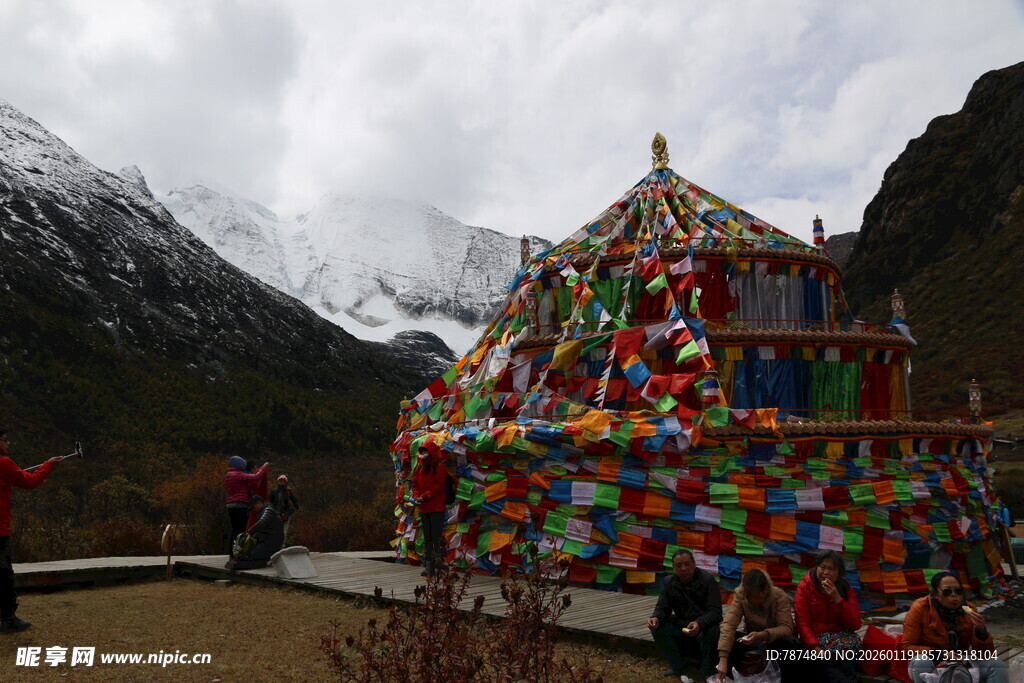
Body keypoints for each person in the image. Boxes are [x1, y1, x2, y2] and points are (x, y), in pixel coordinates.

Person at [0, 427, 62, 633]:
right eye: (5, 440)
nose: (8, 444)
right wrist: (48, 465)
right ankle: (8, 620)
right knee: (4, 575)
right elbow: (30, 482)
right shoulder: (4, 463)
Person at [902, 570, 1008, 683]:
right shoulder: (921, 608)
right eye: (947, 592)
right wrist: (941, 654)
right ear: (935, 594)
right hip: (933, 664)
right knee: (921, 661)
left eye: (958, 591)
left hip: (960, 663)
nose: (954, 595)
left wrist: (981, 632)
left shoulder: (969, 609)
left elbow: (984, 655)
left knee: (997, 664)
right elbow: (907, 647)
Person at [647, 548, 723, 681]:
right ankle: (678, 666)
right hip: (683, 624)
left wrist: (699, 623)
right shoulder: (669, 582)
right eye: (679, 565)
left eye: (687, 564)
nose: (683, 568)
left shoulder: (707, 580)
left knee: (714, 630)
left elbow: (715, 612)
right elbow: (662, 608)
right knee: (659, 627)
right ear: (674, 568)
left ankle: (707, 671)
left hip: (704, 625)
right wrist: (655, 618)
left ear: (694, 564)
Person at [794, 549, 863, 683]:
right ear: (816, 567)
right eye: (822, 567)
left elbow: (855, 625)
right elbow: (802, 622)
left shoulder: (845, 588)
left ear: (839, 573)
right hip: (817, 638)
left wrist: (837, 599)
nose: (826, 572)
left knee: (852, 651)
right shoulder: (805, 587)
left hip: (841, 638)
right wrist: (814, 647)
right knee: (826, 661)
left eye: (831, 569)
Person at [717, 568, 797, 680]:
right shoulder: (741, 594)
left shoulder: (779, 596)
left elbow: (787, 627)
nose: (747, 598)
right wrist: (723, 658)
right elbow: (729, 624)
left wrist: (764, 635)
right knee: (722, 636)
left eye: (751, 595)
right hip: (752, 640)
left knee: (786, 646)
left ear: (764, 592)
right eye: (746, 594)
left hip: (774, 641)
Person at [410, 445, 447, 577]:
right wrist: (415, 496)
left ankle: (438, 566)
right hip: (424, 507)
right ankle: (429, 566)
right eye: (422, 451)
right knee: (427, 538)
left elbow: (439, 485)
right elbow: (414, 483)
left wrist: (426, 495)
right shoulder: (419, 468)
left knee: (436, 538)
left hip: (436, 507)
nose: (423, 454)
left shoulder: (439, 467)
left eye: (425, 451)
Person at [225, 456, 268, 552]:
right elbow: (256, 477)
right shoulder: (239, 474)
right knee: (241, 529)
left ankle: (232, 551)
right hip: (240, 505)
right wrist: (264, 467)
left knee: (234, 529)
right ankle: (238, 550)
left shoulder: (228, 475)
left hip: (230, 505)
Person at [269, 474, 299, 548]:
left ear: (285, 482)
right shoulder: (273, 491)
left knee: (284, 532)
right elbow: (270, 502)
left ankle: (282, 546)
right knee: (276, 531)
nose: (281, 483)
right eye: (280, 481)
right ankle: (276, 545)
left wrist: (293, 510)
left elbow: (295, 501)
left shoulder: (288, 492)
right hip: (275, 514)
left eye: (282, 481)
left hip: (286, 514)